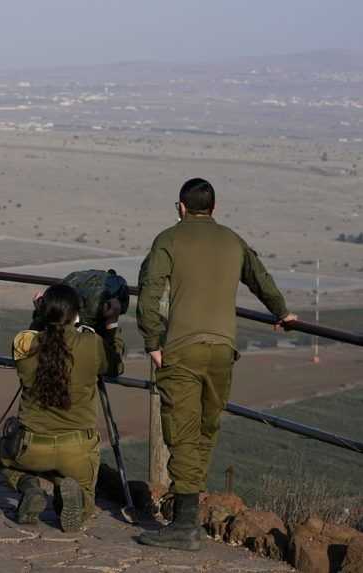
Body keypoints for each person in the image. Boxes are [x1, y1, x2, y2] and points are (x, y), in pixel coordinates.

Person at [136, 177, 297, 551]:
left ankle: (183, 525)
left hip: (182, 350)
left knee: (182, 433)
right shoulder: (232, 240)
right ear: (214, 208)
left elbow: (148, 295)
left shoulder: (168, 240)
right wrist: (282, 311)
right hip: (223, 352)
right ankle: (188, 513)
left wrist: (152, 342)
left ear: (180, 207)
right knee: (206, 429)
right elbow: (260, 277)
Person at [0, 283, 124, 532]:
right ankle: (73, 498)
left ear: (44, 310)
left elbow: (30, 340)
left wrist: (38, 316)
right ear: (76, 314)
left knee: (6, 461)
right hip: (77, 449)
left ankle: (29, 486)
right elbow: (115, 364)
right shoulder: (91, 344)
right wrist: (111, 323)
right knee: (85, 495)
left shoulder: (25, 343)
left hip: (31, 446)